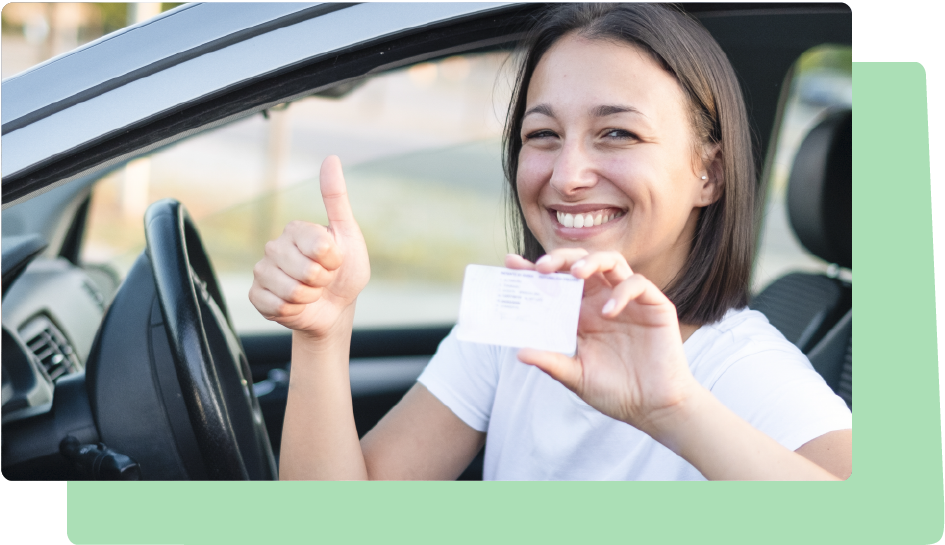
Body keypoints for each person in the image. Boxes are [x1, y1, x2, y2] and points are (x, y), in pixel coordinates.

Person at [249, 3, 852, 480]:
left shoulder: (741, 365)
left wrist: (674, 411)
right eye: (542, 135)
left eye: (617, 133)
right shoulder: (519, 318)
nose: (566, 176)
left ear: (708, 173)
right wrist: (322, 332)